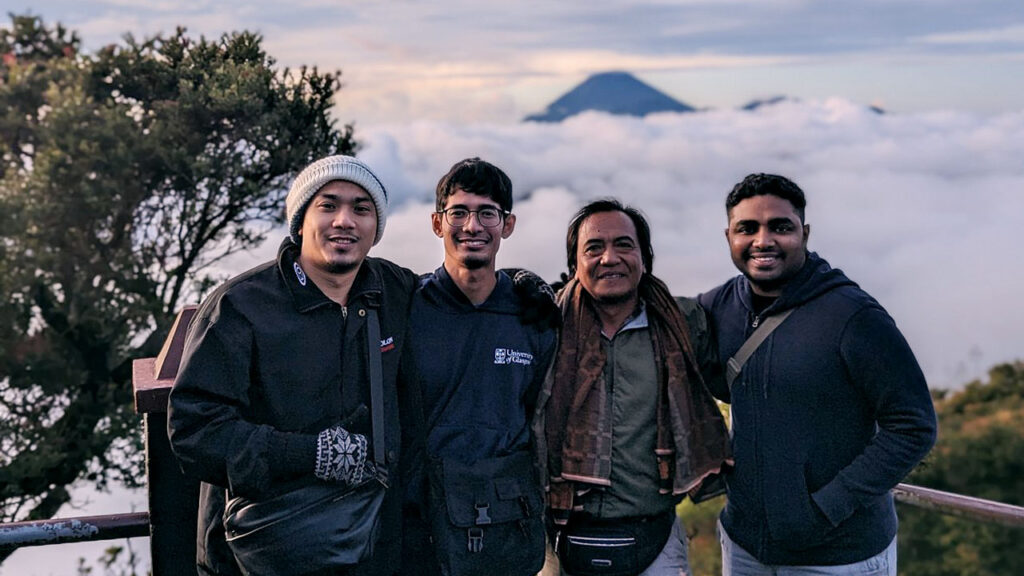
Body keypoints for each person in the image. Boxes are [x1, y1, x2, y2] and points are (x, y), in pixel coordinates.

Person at [168, 155, 417, 576]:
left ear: (376, 229)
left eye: (361, 209)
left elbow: (455, 298)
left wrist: (520, 288)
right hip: (264, 554)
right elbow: (193, 432)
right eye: (328, 205)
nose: (345, 221)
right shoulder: (241, 306)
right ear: (300, 220)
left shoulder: (391, 290)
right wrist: (308, 454)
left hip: (367, 549)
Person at [698, 173, 937, 575]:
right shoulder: (719, 307)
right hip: (744, 546)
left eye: (780, 227)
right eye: (747, 228)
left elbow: (913, 426)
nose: (763, 240)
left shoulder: (853, 317)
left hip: (838, 554)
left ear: (804, 233)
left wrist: (827, 508)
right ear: (728, 237)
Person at [536, 199, 732, 576]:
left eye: (624, 245)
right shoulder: (544, 327)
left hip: (655, 537)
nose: (610, 258)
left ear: (645, 258)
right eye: (594, 247)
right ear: (574, 265)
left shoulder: (683, 324)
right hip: (558, 540)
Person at [400, 158, 557, 576]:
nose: (472, 226)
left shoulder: (532, 316)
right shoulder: (409, 309)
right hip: (422, 529)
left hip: (506, 525)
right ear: (437, 223)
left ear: (507, 225)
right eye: (459, 212)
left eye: (487, 212)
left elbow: (541, 409)